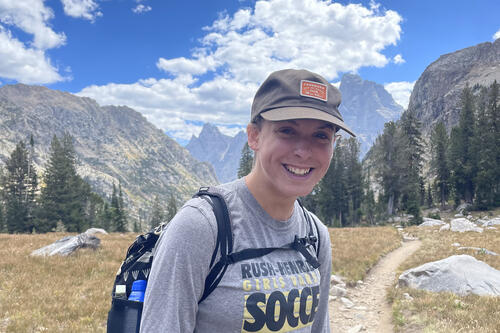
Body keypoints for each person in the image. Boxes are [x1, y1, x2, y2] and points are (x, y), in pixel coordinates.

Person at [140, 69, 355, 332]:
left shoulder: (316, 235)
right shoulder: (202, 226)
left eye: (321, 136)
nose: (303, 151)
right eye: (287, 131)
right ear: (254, 135)